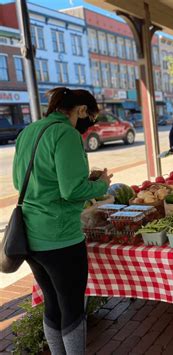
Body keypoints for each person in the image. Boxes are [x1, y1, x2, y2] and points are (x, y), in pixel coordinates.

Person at [12, 87, 113, 355]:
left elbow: (19, 182)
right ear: (81, 110)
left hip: (30, 235)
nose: (91, 124)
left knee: (53, 304)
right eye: (91, 117)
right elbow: (71, 191)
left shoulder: (29, 131)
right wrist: (101, 185)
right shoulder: (66, 134)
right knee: (71, 307)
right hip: (60, 237)